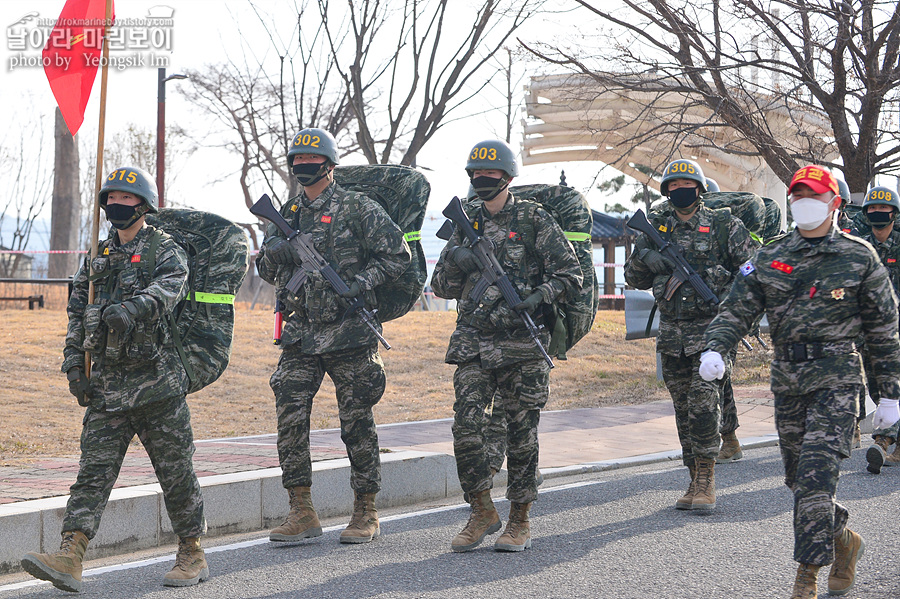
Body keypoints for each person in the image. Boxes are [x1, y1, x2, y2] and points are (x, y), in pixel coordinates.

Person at [701, 165, 900, 598]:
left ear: (835, 203)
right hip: (788, 382)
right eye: (797, 194)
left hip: (838, 381)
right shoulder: (773, 256)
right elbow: (737, 307)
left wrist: (889, 394)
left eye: (812, 194)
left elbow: (884, 331)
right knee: (799, 481)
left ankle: (806, 579)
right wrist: (716, 346)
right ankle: (844, 541)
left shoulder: (858, 256)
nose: (803, 201)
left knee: (814, 479)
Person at [21, 167, 208, 591]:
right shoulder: (98, 257)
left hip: (158, 386)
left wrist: (133, 308)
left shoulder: (165, 250)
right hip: (107, 387)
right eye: (111, 199)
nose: (117, 207)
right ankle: (71, 554)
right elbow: (75, 314)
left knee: (176, 472)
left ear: (143, 205)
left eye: (126, 199)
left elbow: (170, 288)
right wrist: (74, 365)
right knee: (93, 472)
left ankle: (192, 551)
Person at [256, 127, 411, 545]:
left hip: (349, 332)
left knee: (356, 421)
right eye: (298, 162)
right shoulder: (285, 214)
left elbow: (397, 255)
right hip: (301, 334)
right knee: (290, 419)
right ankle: (301, 510)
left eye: (311, 161)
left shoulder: (357, 207)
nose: (303, 167)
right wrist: (276, 253)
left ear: (329, 163)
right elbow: (266, 271)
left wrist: (361, 283)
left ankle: (366, 510)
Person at [431, 139, 582, 552]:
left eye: (490, 174)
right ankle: (481, 509)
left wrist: (540, 296)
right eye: (476, 175)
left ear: (508, 177)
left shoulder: (534, 219)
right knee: (466, 426)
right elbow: (440, 287)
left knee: (521, 433)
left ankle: (519, 518)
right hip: (474, 343)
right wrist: (458, 258)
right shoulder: (464, 222)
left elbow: (572, 275)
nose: (482, 180)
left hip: (522, 343)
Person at [624, 159, 755, 511]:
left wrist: (728, 296)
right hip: (673, 336)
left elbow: (750, 270)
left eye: (688, 184)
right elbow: (633, 277)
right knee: (683, 409)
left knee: (702, 401)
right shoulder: (657, 228)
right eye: (674, 185)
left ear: (700, 189)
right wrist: (648, 257)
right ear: (667, 191)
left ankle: (707, 478)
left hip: (713, 332)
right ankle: (693, 475)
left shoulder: (724, 224)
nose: (681, 190)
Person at [859, 186, 900, 473]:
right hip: (868, 331)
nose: (878, 213)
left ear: (894, 213)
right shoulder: (860, 246)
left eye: (883, 209)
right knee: (876, 385)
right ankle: (887, 437)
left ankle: (885, 439)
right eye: (872, 209)